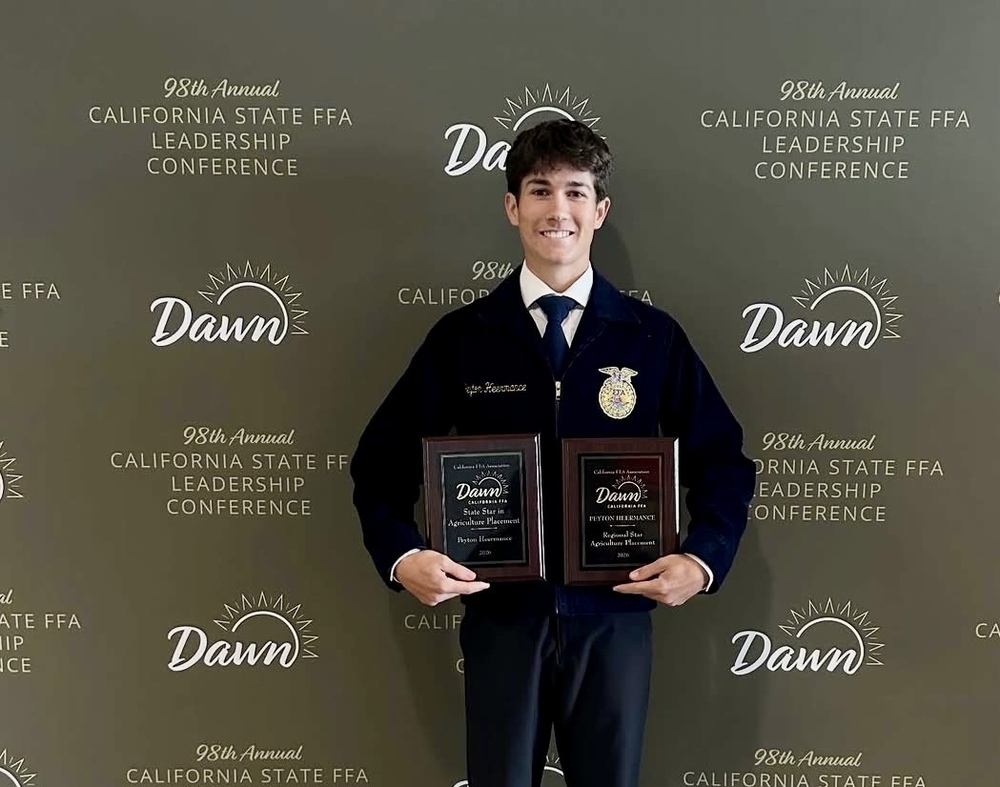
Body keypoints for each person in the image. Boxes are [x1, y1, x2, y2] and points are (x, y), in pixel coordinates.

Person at [351, 118, 755, 787]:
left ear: (600, 210)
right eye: (540, 191)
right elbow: (379, 462)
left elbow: (725, 461)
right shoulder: (464, 337)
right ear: (513, 208)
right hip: (503, 618)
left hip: (616, 617)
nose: (557, 209)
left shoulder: (651, 338)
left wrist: (702, 558)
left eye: (575, 191)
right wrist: (403, 554)